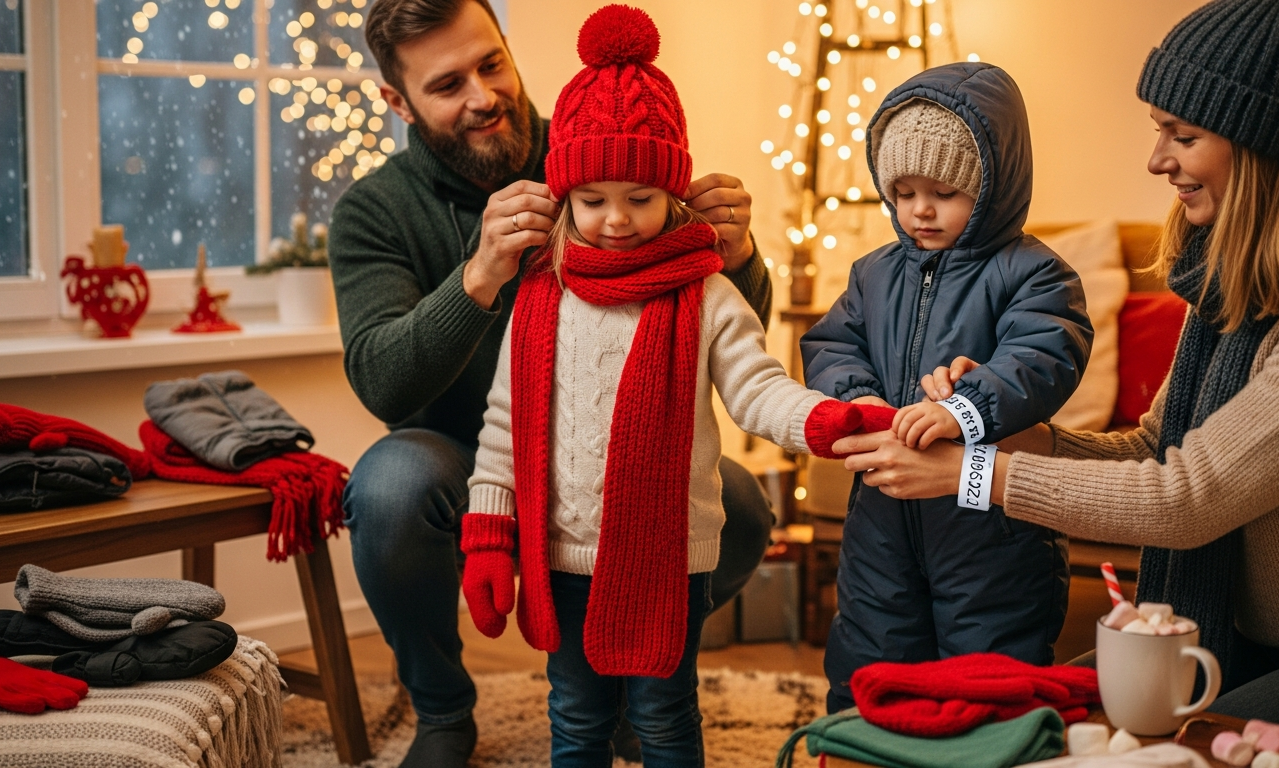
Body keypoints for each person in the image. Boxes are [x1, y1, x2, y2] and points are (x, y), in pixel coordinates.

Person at [834, 0, 1279, 733]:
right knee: (1018, 714)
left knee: (1157, 744)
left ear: (1259, 149)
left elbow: (1183, 499)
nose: (1157, 160)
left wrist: (973, 476)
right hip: (1230, 634)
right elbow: (1149, 449)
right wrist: (1004, 437)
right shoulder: (1224, 289)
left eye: (1182, 136)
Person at [330, 0, 776, 764]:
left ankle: (635, 673)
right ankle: (443, 712)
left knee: (738, 499)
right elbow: (382, 381)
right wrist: (477, 276)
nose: (482, 95)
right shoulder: (374, 211)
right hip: (466, 454)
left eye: (491, 63)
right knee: (388, 485)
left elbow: (728, 342)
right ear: (397, 101)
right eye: (447, 84)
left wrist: (736, 258)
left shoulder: (606, 136)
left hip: (615, 459)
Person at [454, 8, 879, 764]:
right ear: (564, 197)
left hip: (671, 557)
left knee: (666, 715)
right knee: (576, 717)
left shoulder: (705, 291)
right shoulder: (543, 293)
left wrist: (826, 419)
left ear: (675, 194)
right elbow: (504, 425)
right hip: (559, 555)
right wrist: (491, 535)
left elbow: (757, 388)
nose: (616, 220)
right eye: (593, 200)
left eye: (640, 198)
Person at [799, 62, 1094, 713]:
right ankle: (866, 748)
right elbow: (831, 343)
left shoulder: (1034, 274)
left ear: (990, 187)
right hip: (881, 510)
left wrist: (966, 407)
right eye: (902, 191)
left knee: (989, 666)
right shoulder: (872, 273)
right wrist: (860, 401)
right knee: (870, 652)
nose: (919, 209)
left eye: (943, 191)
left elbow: (1044, 353)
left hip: (991, 526)